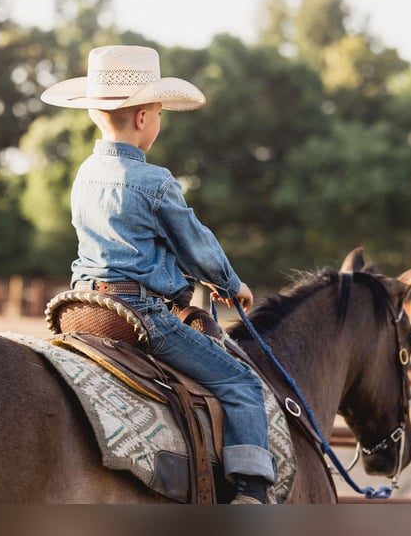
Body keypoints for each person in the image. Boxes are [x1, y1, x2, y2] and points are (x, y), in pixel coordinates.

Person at [40, 45, 275, 504]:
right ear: (146, 118)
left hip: (82, 308)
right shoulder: (155, 181)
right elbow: (196, 245)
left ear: (95, 114)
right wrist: (231, 284)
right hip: (139, 314)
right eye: (160, 112)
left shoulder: (84, 175)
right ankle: (251, 493)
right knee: (242, 383)